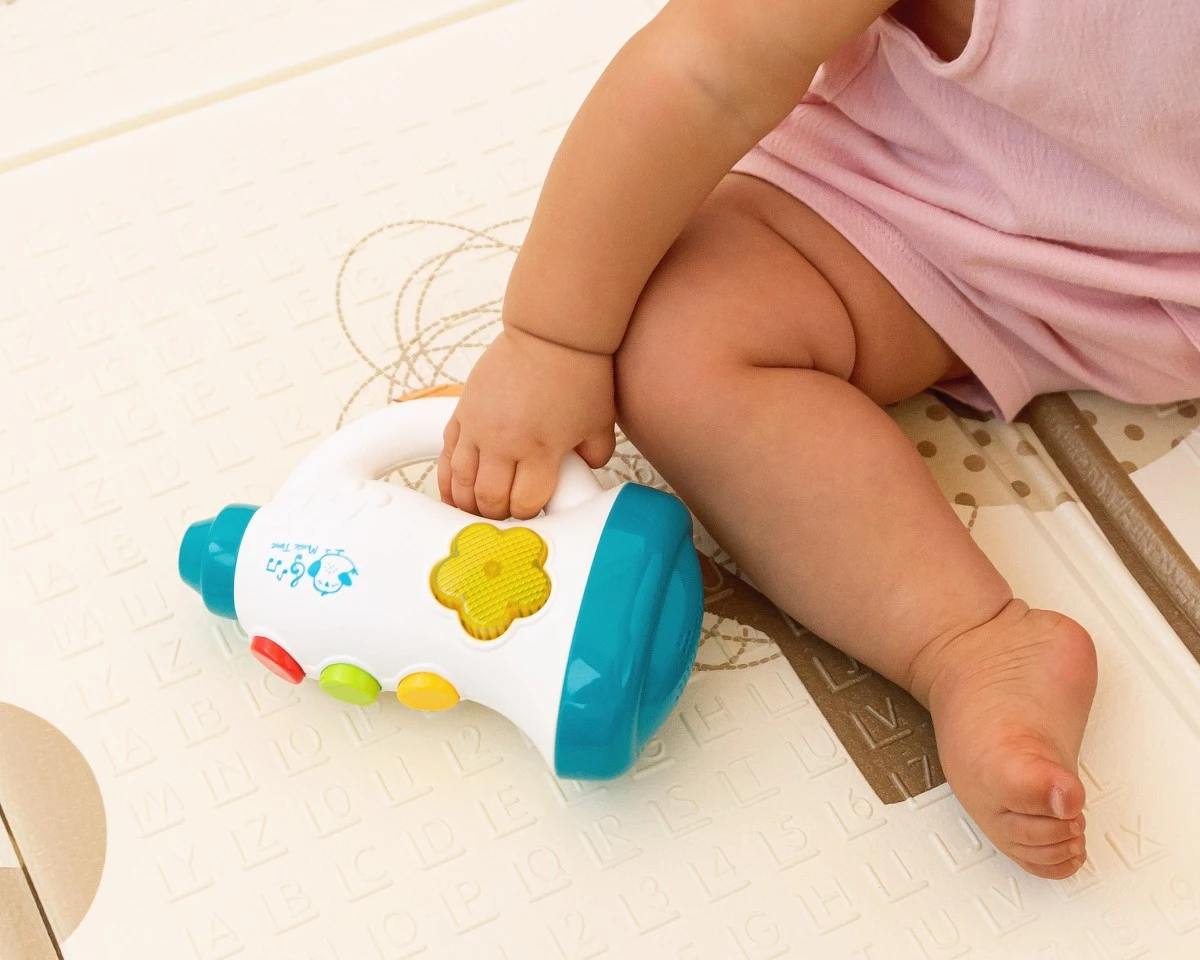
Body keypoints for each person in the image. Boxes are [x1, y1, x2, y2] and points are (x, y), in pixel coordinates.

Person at [436, 0, 1200, 879]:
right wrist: (552, 339)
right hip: (930, 205)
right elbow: (706, 67)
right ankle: (968, 640)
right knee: (678, 341)